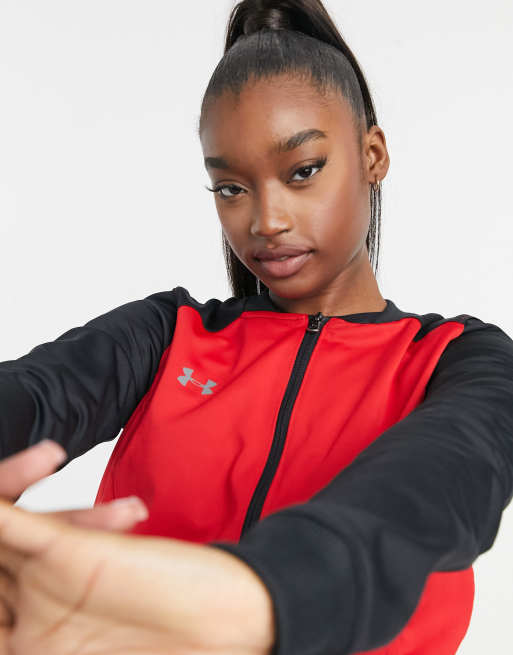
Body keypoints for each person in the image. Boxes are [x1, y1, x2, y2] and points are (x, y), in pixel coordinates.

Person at [0, 0, 512, 654]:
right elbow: (32, 395)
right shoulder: (167, 334)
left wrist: (245, 600)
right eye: (231, 188)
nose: (266, 220)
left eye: (303, 171)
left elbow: (430, 491)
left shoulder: (458, 362)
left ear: (373, 155)